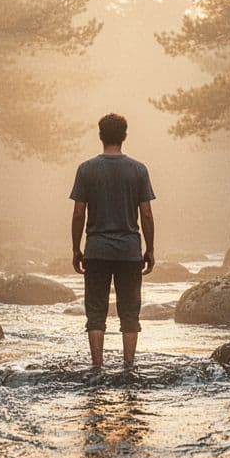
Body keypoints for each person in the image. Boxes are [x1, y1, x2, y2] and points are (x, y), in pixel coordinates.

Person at [69, 113, 155, 370]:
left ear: (100, 136)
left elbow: (78, 213)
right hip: (129, 251)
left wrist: (76, 248)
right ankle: (128, 367)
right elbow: (146, 214)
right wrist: (149, 249)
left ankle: (97, 367)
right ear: (124, 136)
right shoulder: (138, 170)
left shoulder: (86, 169)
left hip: (96, 250)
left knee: (96, 313)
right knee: (130, 313)